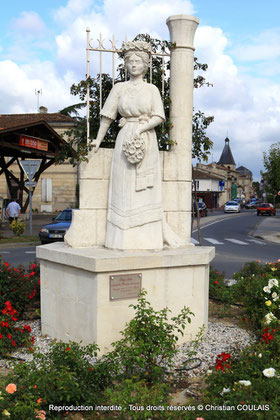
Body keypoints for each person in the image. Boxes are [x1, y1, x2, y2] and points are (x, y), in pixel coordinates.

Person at [92, 41, 184, 250]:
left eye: (137, 61)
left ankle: (147, 236)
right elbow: (107, 116)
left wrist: (141, 129)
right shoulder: (119, 88)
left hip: (146, 137)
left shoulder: (151, 89)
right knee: (123, 185)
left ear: (145, 65)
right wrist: (98, 139)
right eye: (129, 61)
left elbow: (159, 116)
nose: (133, 65)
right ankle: (120, 237)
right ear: (125, 65)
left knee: (145, 189)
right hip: (125, 138)